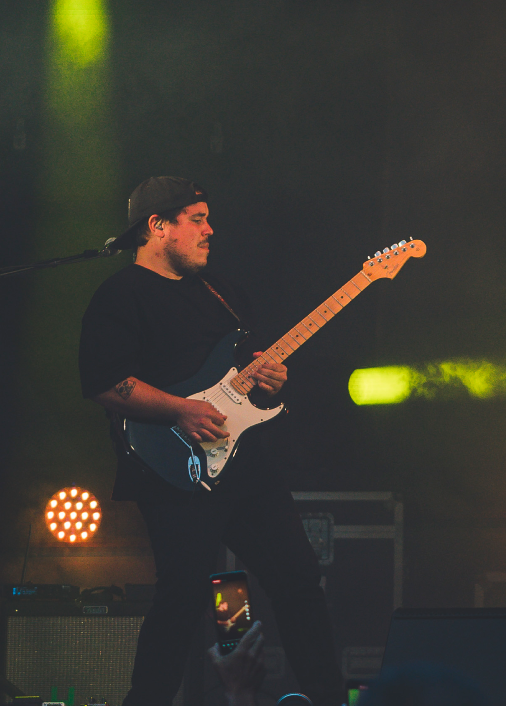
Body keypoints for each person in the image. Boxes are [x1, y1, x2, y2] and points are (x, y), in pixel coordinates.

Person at [78, 176, 347, 706]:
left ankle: (328, 698)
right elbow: (109, 383)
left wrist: (274, 380)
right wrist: (180, 410)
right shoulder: (120, 295)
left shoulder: (222, 293)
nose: (210, 229)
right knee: (182, 595)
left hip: (246, 466)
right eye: (196, 218)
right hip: (172, 468)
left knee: (297, 578)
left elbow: (246, 378)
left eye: (207, 218)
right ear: (157, 227)